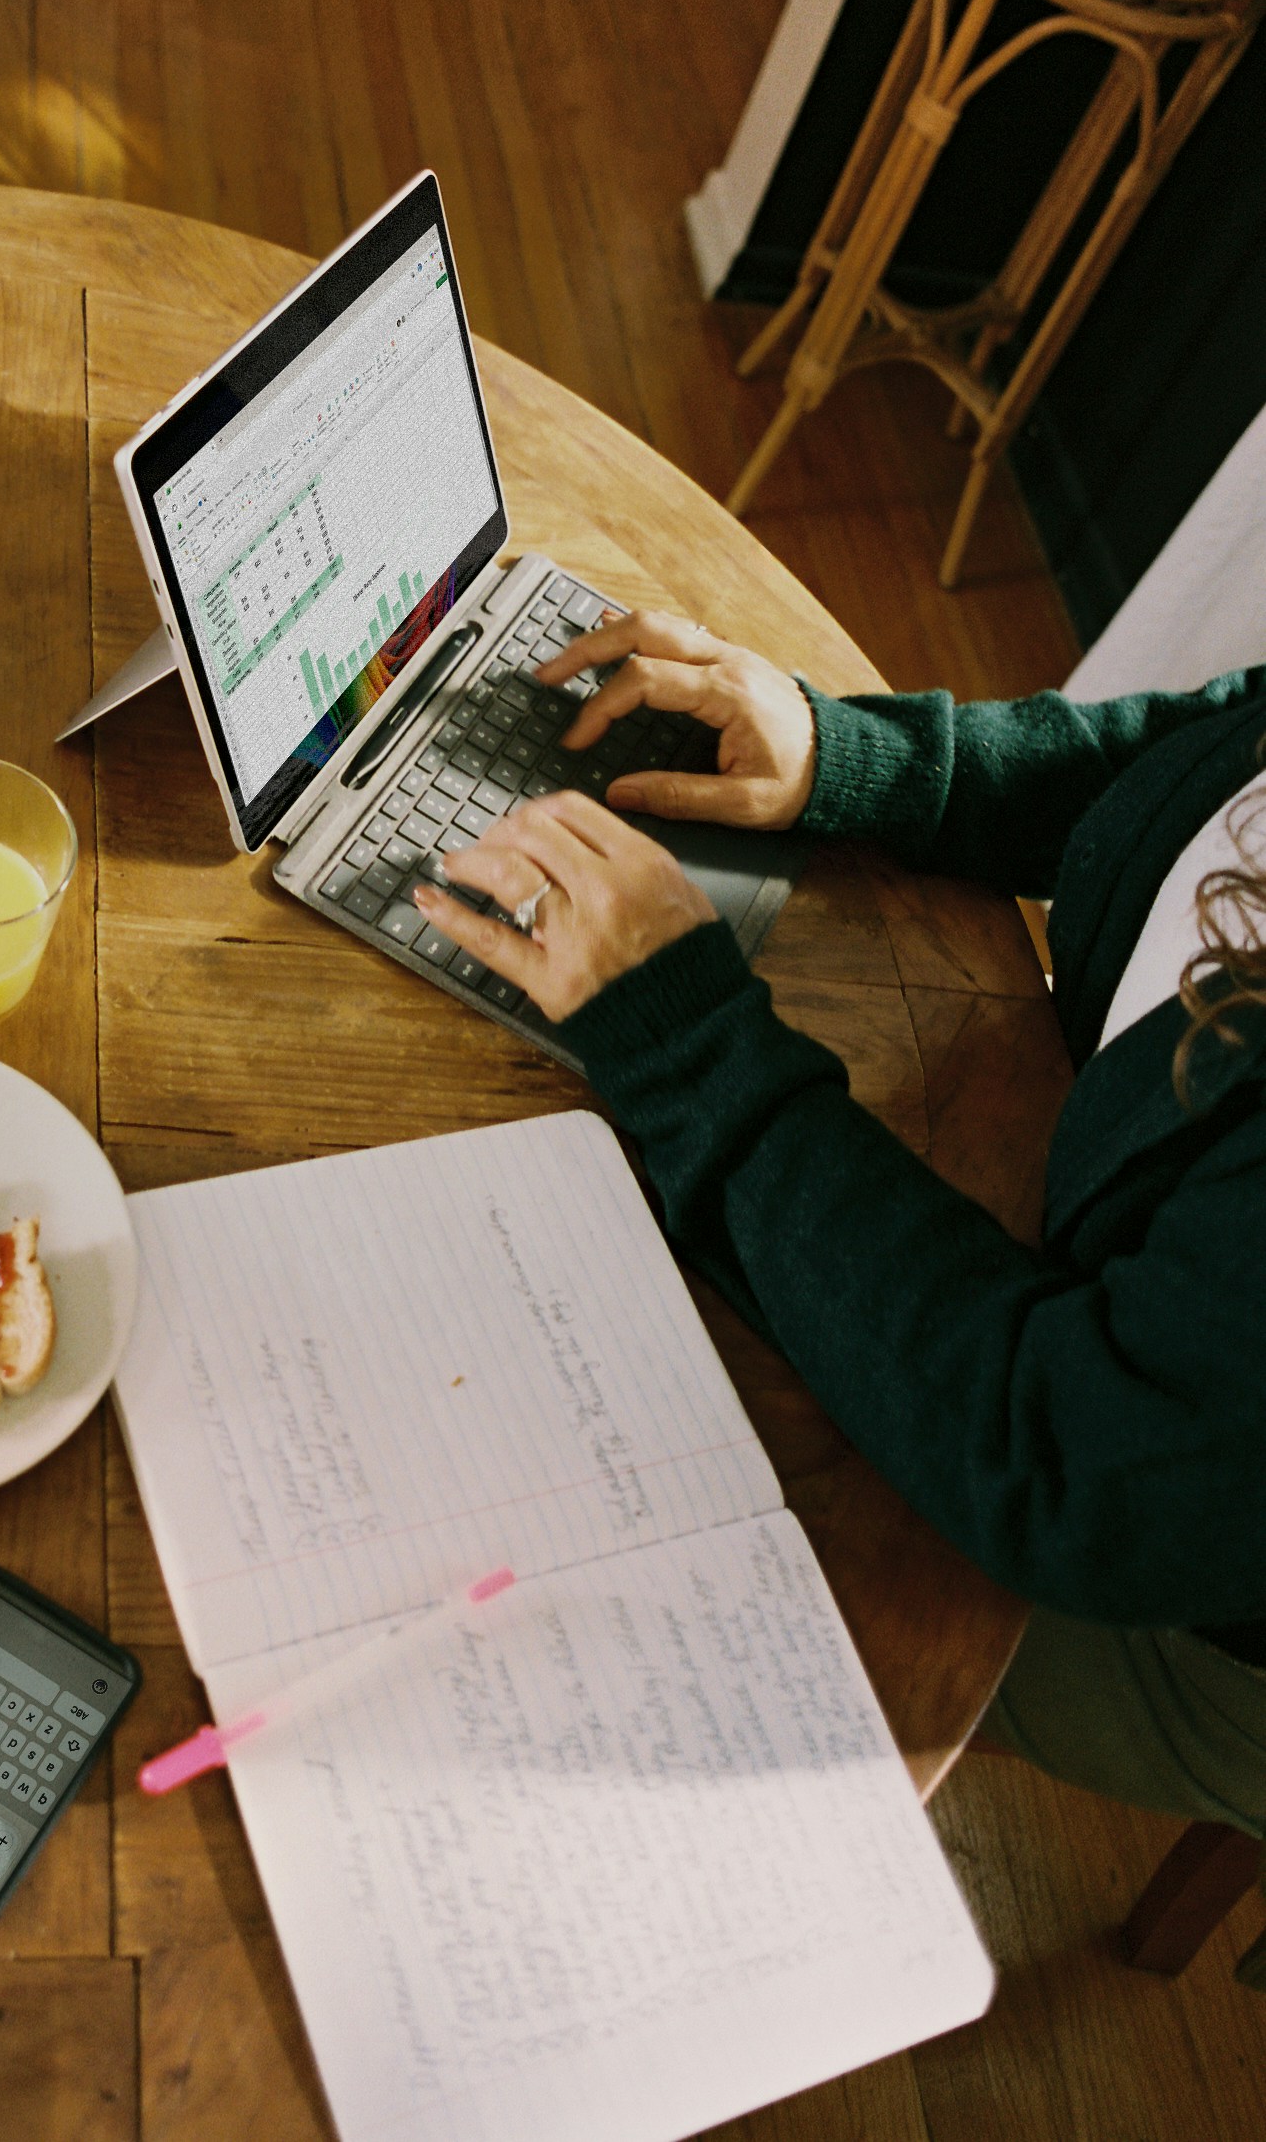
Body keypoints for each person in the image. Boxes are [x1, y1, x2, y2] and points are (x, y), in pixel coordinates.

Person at [412, 612, 1266, 1847]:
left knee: (557, 1492)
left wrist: (690, 1041)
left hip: (1158, 1597)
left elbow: (1066, 1463)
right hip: (1097, 1272)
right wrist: (853, 756)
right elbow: (1212, 749)